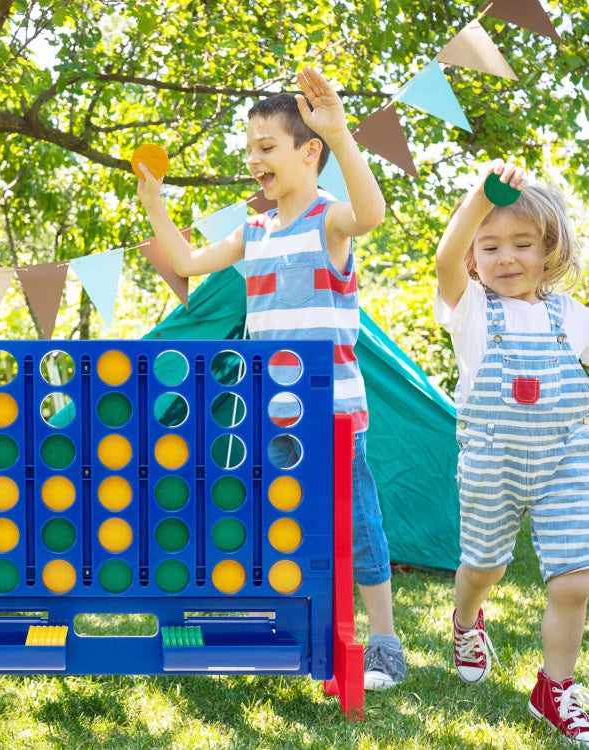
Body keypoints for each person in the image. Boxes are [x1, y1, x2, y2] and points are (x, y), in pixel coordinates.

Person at [137, 66, 406, 690]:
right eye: (249, 148)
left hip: (334, 410)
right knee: (278, 515)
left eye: (267, 147)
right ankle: (288, 623)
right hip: (270, 411)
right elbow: (185, 261)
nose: (255, 159)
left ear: (306, 151)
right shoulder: (253, 232)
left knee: (358, 522)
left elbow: (372, 213)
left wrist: (340, 134)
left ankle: (385, 641)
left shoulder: (328, 220)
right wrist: (155, 203)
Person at [434, 160, 589, 743]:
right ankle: (467, 620)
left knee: (576, 580)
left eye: (522, 244)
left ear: (549, 250)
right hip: (491, 465)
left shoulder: (572, 318)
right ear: (474, 258)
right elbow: (446, 260)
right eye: (489, 246)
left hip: (565, 463)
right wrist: (479, 197)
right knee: (484, 567)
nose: (505, 258)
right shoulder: (470, 309)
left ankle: (555, 686)